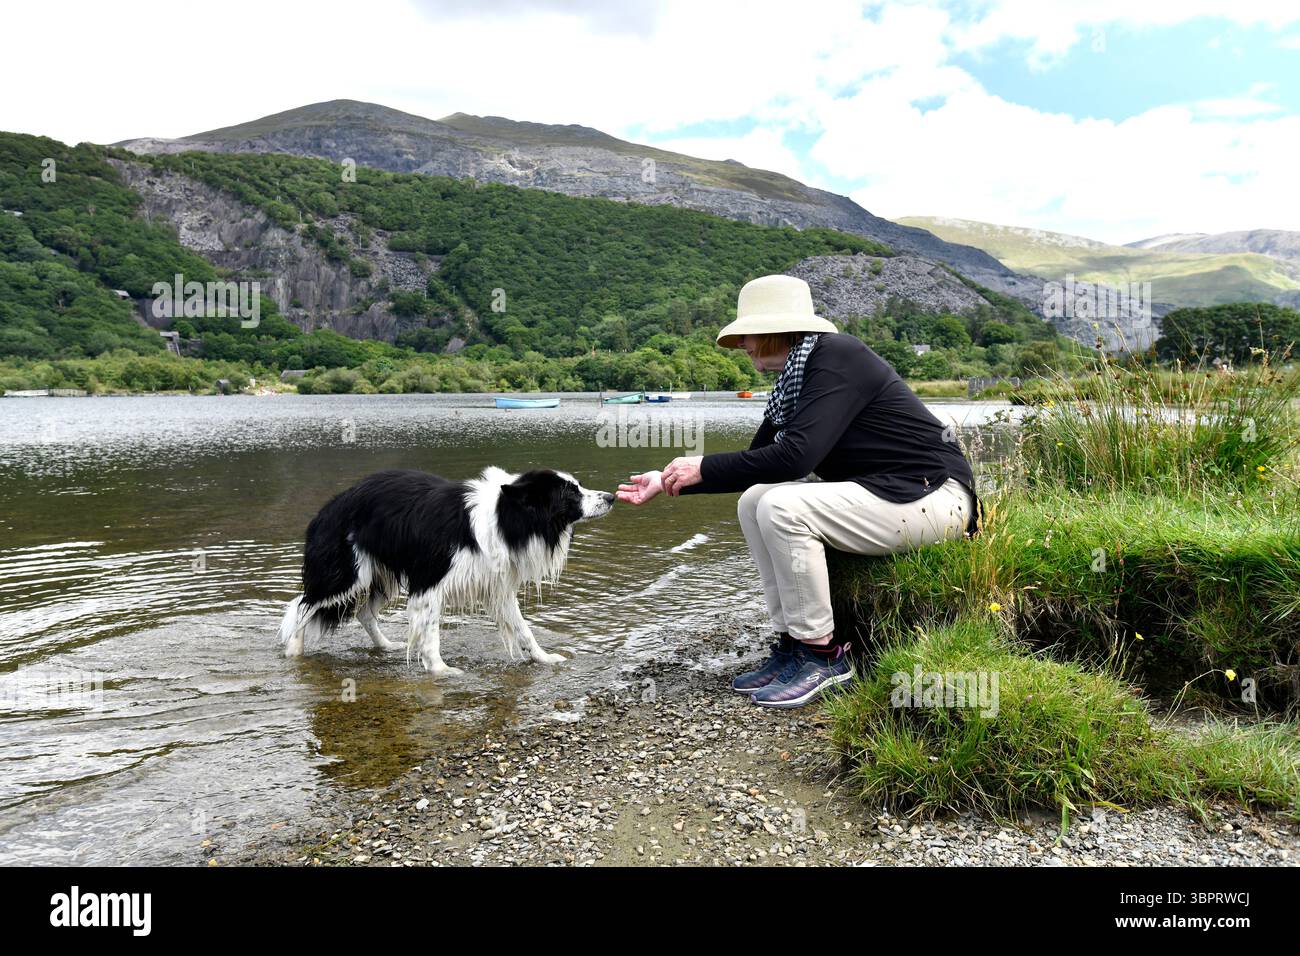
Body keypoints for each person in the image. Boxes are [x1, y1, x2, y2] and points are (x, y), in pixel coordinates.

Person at [617, 274, 979, 709]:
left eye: (747, 333)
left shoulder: (838, 356)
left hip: (937, 499)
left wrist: (701, 467)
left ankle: (823, 656)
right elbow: (760, 461)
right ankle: (792, 642)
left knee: (784, 506)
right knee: (756, 500)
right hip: (889, 495)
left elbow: (796, 458)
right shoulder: (794, 379)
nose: (744, 344)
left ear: (775, 329)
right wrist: (668, 478)